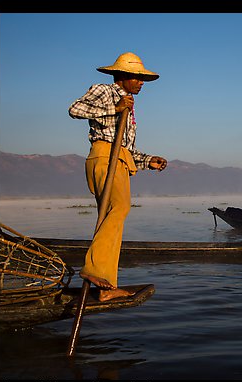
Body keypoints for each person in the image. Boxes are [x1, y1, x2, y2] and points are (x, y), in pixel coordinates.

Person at [68, 52, 168, 301]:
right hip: (104, 158)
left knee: (114, 216)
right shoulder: (105, 90)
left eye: (142, 78)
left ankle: (105, 289)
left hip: (119, 160)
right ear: (122, 76)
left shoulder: (129, 103)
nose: (141, 82)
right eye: (137, 77)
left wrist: (148, 161)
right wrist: (113, 108)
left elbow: (125, 149)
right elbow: (75, 109)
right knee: (119, 208)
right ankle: (94, 270)